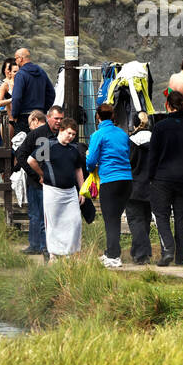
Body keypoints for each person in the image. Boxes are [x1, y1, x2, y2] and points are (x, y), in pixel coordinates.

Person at [144, 95, 183, 267]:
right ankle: (182, 257)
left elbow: (153, 155)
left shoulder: (160, 127)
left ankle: (168, 249)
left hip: (162, 178)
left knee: (161, 215)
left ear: (167, 106)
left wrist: (151, 176)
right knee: (182, 218)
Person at [27, 119, 86, 260]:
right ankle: (53, 253)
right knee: (53, 223)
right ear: (61, 130)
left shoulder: (73, 149)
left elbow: (78, 169)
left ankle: (70, 253)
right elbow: (31, 160)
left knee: (75, 221)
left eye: (73, 134)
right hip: (52, 190)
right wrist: (42, 174)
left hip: (70, 191)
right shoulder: (49, 145)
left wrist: (82, 189)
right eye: (69, 133)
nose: (71, 136)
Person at [85, 102, 132, 268]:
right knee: (116, 217)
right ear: (113, 116)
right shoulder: (122, 134)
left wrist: (91, 168)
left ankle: (113, 256)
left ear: (98, 117)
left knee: (110, 219)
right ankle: (111, 251)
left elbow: (91, 160)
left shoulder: (98, 135)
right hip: (127, 180)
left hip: (110, 180)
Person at [12, 106, 63, 257]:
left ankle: (46, 246)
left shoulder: (62, 134)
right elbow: (21, 155)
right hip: (36, 182)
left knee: (50, 216)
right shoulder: (36, 134)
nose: (59, 122)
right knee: (36, 215)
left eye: (61, 119)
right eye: (56, 118)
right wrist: (34, 176)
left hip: (55, 182)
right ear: (48, 118)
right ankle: (37, 246)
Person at [124, 113, 153, 265]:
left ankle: (142, 254)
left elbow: (128, 163)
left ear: (134, 125)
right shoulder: (156, 140)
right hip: (152, 186)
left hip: (134, 186)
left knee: (135, 220)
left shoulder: (131, 142)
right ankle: (137, 252)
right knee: (146, 219)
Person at [9, 47, 56, 134]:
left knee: (22, 145)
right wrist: (43, 110)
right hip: (40, 116)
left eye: (16, 59)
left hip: (24, 118)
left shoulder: (21, 74)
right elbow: (51, 93)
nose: (15, 61)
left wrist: (15, 114)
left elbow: (17, 97)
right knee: (41, 145)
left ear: (21, 59)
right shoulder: (41, 72)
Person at [0, 56, 17, 147]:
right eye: (7, 68)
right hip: (4, 114)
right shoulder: (2, 84)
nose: (8, 71)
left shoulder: (20, 83)